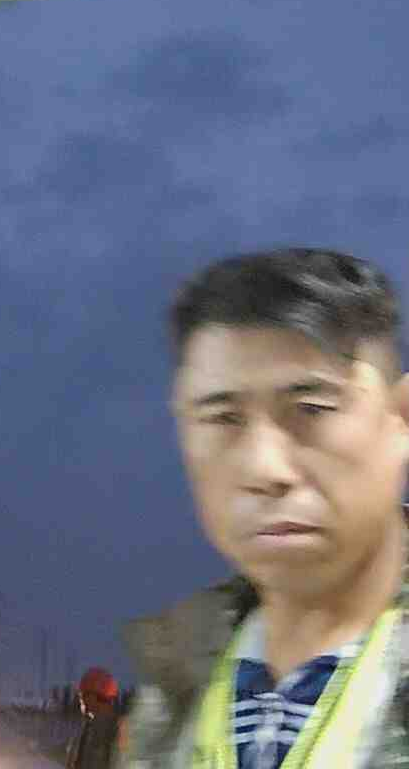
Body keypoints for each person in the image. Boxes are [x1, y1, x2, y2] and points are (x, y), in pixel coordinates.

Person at [121, 249, 409, 769]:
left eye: (311, 410)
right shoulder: (170, 695)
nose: (263, 468)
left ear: (401, 420)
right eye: (223, 419)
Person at [67, 667, 119, 769]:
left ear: (92, 697)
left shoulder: (101, 729)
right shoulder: (89, 726)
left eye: (82, 696)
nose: (81, 701)